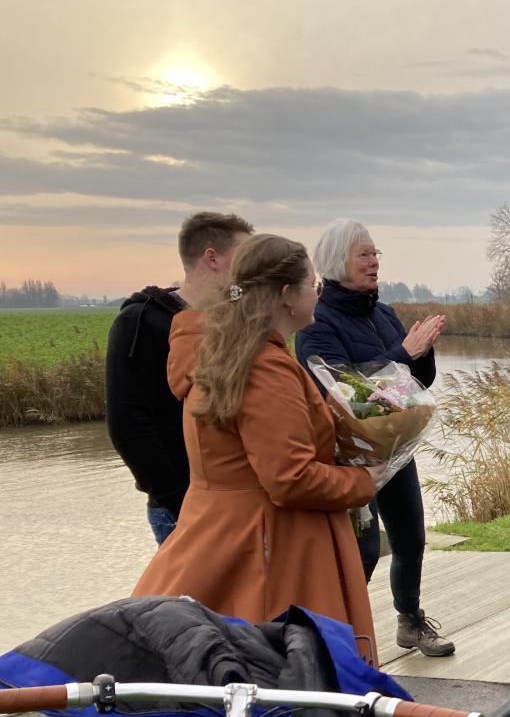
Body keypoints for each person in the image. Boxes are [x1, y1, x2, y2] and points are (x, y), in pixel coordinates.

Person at [132, 234, 383, 665]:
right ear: (287, 295)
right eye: (313, 284)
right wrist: (362, 480)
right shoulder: (264, 367)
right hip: (269, 549)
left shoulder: (227, 351)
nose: (318, 293)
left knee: (203, 670)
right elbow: (290, 477)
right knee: (272, 675)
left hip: (218, 535)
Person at [294, 219, 455, 657]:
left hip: (396, 451)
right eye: (363, 254)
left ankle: (410, 622)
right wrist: (404, 354)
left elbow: (417, 382)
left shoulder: (381, 313)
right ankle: (344, 646)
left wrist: (423, 351)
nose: (374, 260)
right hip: (347, 459)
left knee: (410, 539)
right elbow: (348, 396)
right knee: (361, 554)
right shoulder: (316, 323)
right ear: (335, 262)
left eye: (375, 252)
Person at [105, 212, 253, 543]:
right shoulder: (141, 323)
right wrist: (180, 501)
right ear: (211, 257)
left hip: (239, 503)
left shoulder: (234, 321)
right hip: (183, 508)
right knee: (194, 596)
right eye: (244, 257)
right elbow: (128, 425)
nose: (251, 268)